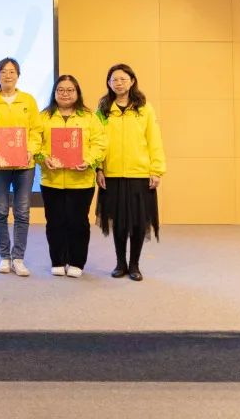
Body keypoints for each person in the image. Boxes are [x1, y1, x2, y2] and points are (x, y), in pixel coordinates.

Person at [96, 63, 166, 282]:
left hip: (139, 174)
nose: (118, 83)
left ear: (132, 81)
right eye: (114, 80)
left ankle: (134, 264)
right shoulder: (103, 109)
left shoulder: (144, 108)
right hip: (112, 174)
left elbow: (154, 140)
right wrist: (99, 168)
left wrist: (156, 170)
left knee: (137, 222)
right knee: (118, 222)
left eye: (123, 79)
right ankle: (120, 263)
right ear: (109, 83)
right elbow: (97, 140)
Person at [37, 75, 107, 277]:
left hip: (81, 181)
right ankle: (58, 261)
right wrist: (44, 158)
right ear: (54, 93)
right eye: (60, 90)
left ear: (77, 93)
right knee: (55, 222)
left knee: (78, 222)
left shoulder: (89, 117)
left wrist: (89, 160)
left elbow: (100, 144)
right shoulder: (44, 117)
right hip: (52, 180)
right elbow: (35, 143)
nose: (65, 94)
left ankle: (77, 262)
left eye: (70, 90)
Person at [0, 57, 43, 278]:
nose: (7, 75)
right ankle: (4, 256)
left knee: (22, 211)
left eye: (12, 71)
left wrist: (31, 150)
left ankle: (18, 258)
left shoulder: (28, 100)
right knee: (0, 210)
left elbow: (36, 131)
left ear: (18, 75)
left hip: (24, 165)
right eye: (3, 71)